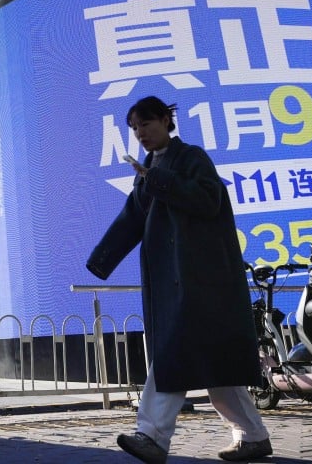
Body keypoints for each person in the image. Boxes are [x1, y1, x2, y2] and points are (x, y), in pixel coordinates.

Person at [86, 96, 270, 463]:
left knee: (171, 355)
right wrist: (100, 260)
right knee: (220, 373)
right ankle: (253, 437)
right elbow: (131, 219)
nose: (140, 133)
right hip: (175, 282)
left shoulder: (191, 158)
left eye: (146, 124)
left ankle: (152, 436)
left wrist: (156, 178)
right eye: (135, 128)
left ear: (166, 121)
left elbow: (208, 199)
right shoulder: (149, 168)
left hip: (201, 281)